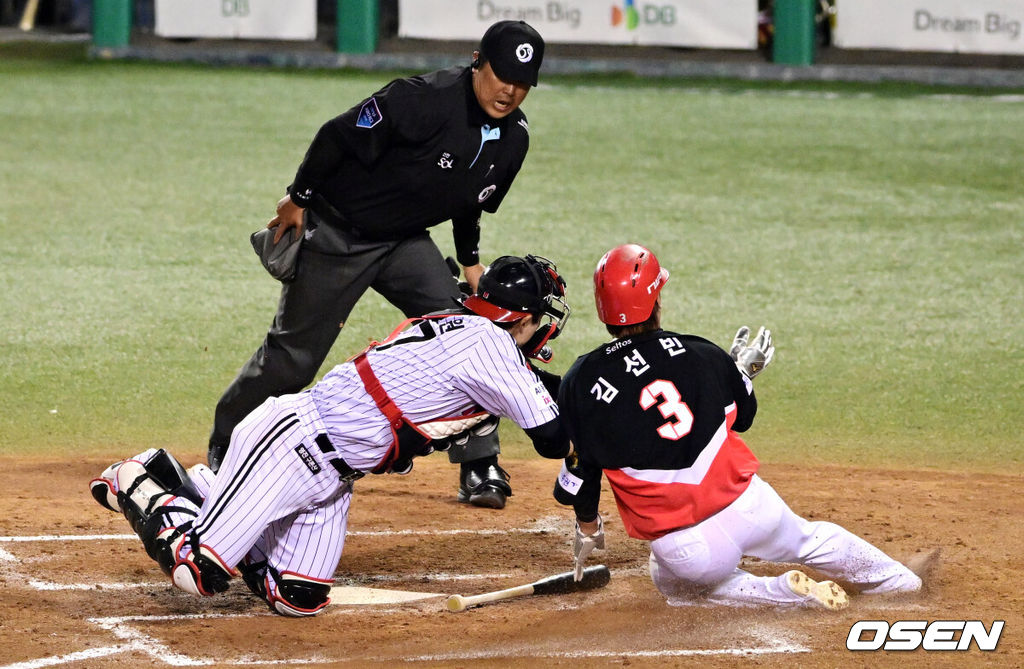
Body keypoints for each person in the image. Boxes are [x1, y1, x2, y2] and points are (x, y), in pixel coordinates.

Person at [90, 255, 572, 616]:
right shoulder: (491, 347)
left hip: (332, 478)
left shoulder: (464, 329)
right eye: (541, 316)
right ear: (523, 318)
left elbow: (540, 387)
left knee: (297, 597)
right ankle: (144, 478)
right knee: (198, 572)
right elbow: (551, 437)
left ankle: (213, 495)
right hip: (288, 444)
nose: (545, 327)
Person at [209, 20, 547, 509]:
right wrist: (298, 197)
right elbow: (337, 134)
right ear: (479, 61)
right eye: (503, 76)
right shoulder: (421, 99)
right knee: (292, 358)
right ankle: (228, 441)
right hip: (339, 234)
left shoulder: (514, 138)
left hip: (404, 242)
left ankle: (479, 461)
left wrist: (471, 263)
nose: (510, 91)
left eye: (522, 83)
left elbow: (468, 199)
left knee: (471, 335)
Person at [555, 243, 923, 609]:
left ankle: (783, 593)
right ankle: (898, 579)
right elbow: (744, 418)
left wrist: (588, 525)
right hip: (751, 508)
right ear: (656, 299)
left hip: (687, 548)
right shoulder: (701, 352)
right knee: (809, 539)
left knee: (674, 585)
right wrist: (740, 375)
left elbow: (581, 470)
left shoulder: (580, 381)